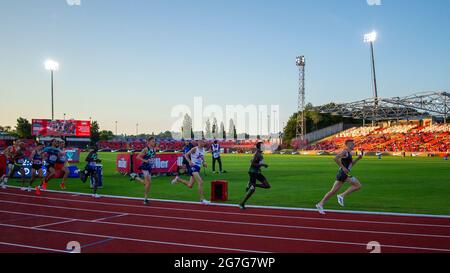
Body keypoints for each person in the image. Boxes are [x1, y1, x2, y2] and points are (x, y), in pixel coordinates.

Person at [316, 139, 363, 215]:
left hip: (343, 174)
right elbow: (335, 158)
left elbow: (350, 166)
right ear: (347, 145)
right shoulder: (345, 152)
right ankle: (341, 195)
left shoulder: (349, 154)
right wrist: (343, 168)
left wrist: (358, 159)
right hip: (343, 174)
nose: (353, 145)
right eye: (352, 144)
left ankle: (320, 204)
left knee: (332, 191)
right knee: (358, 185)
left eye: (353, 144)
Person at [171, 139, 210, 205]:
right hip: (193, 167)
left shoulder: (203, 149)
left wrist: (204, 162)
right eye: (202, 141)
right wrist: (189, 161)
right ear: (198, 142)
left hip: (198, 168)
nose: (203, 143)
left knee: (190, 185)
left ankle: (178, 179)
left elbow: (202, 157)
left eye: (204, 142)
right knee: (200, 182)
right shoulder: (194, 149)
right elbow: (186, 155)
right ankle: (202, 199)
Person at [238, 142, 271, 210]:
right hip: (253, 172)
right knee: (252, 190)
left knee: (267, 186)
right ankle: (242, 203)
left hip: (257, 172)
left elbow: (251, 161)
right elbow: (252, 164)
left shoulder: (259, 154)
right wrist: (262, 165)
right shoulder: (257, 154)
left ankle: (252, 184)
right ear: (259, 147)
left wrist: (259, 167)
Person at [130, 137, 157, 205]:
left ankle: (135, 177)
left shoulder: (154, 149)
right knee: (147, 183)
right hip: (144, 166)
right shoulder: (145, 149)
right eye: (153, 141)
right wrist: (145, 160)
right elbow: (138, 157)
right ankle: (145, 199)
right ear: (149, 142)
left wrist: (152, 161)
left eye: (154, 141)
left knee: (148, 183)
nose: (154, 142)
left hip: (150, 167)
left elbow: (152, 157)